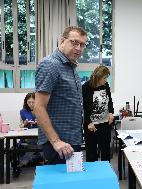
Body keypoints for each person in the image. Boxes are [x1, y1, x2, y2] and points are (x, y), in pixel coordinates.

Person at [34, 26, 88, 164]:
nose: (78, 48)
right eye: (74, 42)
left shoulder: (71, 67)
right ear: (62, 41)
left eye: (82, 44)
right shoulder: (50, 65)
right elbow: (38, 107)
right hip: (59, 144)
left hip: (72, 140)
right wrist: (56, 141)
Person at [82, 65, 114, 162]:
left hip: (104, 124)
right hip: (91, 125)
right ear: (98, 77)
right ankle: (92, 175)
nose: (106, 80)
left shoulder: (105, 86)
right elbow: (84, 107)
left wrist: (111, 113)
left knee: (105, 152)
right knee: (91, 153)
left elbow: (109, 101)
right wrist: (88, 122)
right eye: (104, 78)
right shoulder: (86, 87)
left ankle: (106, 173)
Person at [18, 92, 42, 167]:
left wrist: (40, 122)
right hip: (29, 135)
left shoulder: (41, 110)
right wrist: (25, 123)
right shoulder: (23, 111)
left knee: (36, 145)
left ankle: (23, 161)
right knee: (35, 145)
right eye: (29, 102)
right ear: (26, 102)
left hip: (40, 134)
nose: (31, 104)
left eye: (33, 102)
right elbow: (21, 126)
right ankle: (46, 159)